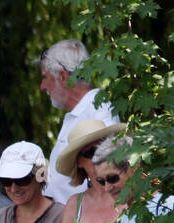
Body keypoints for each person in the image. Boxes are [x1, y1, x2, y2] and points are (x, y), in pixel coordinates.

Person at [37, 40, 120, 205]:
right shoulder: (80, 112)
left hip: (88, 220)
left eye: (45, 78)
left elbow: (112, 168)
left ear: (62, 76)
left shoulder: (99, 109)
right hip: (70, 216)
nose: (42, 86)